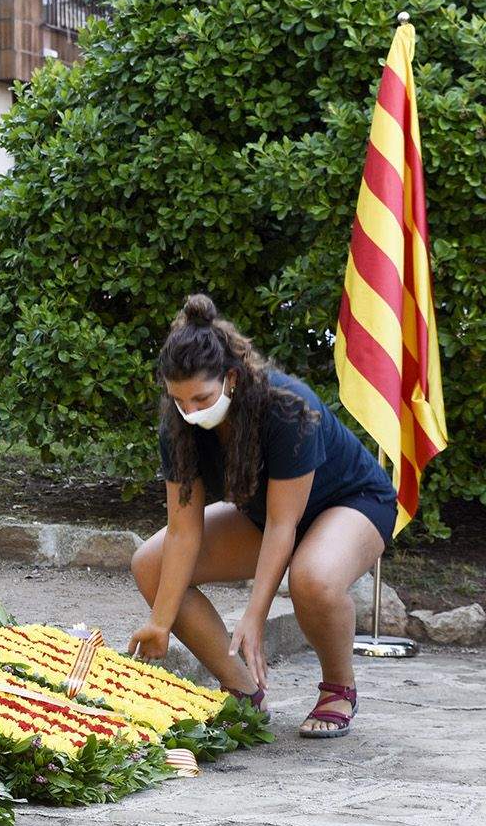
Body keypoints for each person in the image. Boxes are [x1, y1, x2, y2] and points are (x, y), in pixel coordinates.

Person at [127, 294, 398, 738]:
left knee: (312, 577)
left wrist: (255, 615)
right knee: (150, 564)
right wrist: (160, 621)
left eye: (202, 397)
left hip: (351, 503)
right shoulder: (178, 426)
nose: (191, 413)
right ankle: (243, 693)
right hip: (268, 515)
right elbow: (183, 532)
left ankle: (338, 688)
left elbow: (282, 525)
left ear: (231, 378)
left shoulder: (287, 407)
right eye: (180, 401)